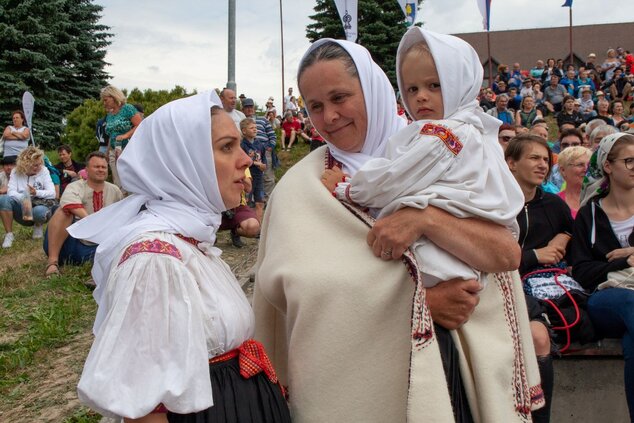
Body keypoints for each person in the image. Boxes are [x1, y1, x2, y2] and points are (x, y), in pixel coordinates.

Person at [254, 36, 542, 423]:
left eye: (340, 97)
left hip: (454, 365)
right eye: (315, 106)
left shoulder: (441, 152)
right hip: (353, 390)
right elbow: (301, 297)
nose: (329, 117)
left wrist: (426, 219)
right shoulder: (300, 191)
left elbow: (505, 255)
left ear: (374, 90)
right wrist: (419, 305)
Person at [70, 92, 291, 422]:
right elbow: (145, 411)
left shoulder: (191, 242)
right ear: (184, 162)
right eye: (226, 147)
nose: (245, 159)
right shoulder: (154, 261)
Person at [322, 28, 524, 290]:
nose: (421, 96)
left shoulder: (443, 133)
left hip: (440, 263)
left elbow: (397, 177)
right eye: (412, 88)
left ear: (460, 84)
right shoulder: (475, 130)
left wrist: (348, 188)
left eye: (434, 85)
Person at [505, 134, 576, 423]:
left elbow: (573, 238)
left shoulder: (554, 206)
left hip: (550, 289)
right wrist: (536, 255)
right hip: (510, 287)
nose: (542, 165)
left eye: (546, 160)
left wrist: (565, 235)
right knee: (537, 335)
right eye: (533, 158)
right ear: (511, 163)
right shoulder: (496, 204)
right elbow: (489, 257)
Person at [570, 133, 634, 421]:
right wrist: (623, 261)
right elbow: (582, 271)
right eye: (629, 160)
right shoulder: (589, 213)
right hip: (606, 296)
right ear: (608, 166)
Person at [44, 152, 122, 277]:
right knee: (63, 212)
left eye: (104, 167)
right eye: (96, 167)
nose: (101, 170)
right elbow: (70, 204)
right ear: (86, 169)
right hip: (69, 242)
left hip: (95, 248)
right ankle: (52, 262)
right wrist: (92, 223)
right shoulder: (75, 186)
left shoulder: (115, 190)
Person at [0, 146, 57, 248]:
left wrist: (36, 192)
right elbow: (11, 191)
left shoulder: (44, 170)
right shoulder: (15, 171)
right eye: (35, 165)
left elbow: (52, 193)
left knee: (39, 212)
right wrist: (24, 198)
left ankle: (38, 225)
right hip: (22, 208)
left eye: (39, 164)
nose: (38, 167)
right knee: (3, 199)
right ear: (25, 164)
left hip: (39, 206)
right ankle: (9, 234)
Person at [101, 85, 142, 188]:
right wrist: (108, 151)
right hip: (113, 152)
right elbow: (112, 134)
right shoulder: (110, 114)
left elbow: (140, 125)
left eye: (105, 100)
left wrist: (125, 135)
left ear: (113, 97)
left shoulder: (128, 108)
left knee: (130, 181)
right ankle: (121, 201)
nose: (104, 103)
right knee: (118, 183)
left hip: (128, 150)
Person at [240, 118, 266, 223]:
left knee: (260, 202)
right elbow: (241, 160)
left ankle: (258, 228)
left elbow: (263, 159)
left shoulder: (259, 144)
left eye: (256, 128)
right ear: (244, 131)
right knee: (246, 202)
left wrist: (264, 165)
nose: (255, 130)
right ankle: (243, 225)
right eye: (251, 128)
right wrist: (255, 163)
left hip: (259, 176)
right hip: (248, 177)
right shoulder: (242, 145)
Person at [556, 145, 592, 218]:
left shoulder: (599, 198)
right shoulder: (555, 202)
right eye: (580, 165)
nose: (586, 169)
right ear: (563, 170)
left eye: (589, 165)